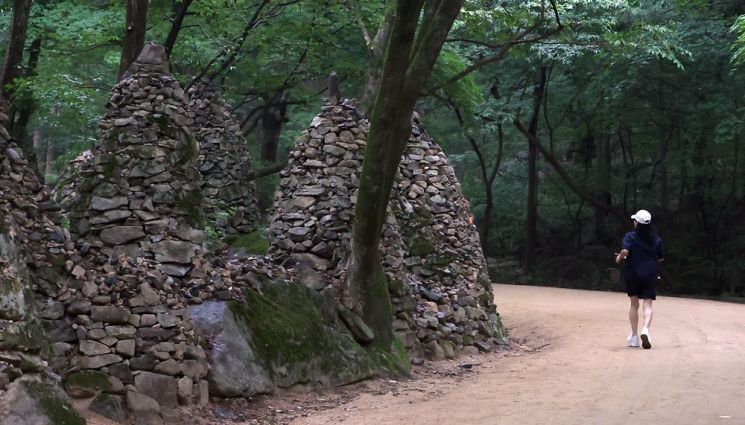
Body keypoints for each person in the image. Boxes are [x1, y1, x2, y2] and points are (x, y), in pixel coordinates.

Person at [615, 209, 665, 349]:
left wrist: (619, 257)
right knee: (648, 304)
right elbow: (661, 257)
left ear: (637, 223)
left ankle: (634, 337)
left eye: (635, 220)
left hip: (633, 273)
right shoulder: (656, 239)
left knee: (634, 304)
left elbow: (624, 252)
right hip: (650, 273)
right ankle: (646, 330)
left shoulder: (630, 236)